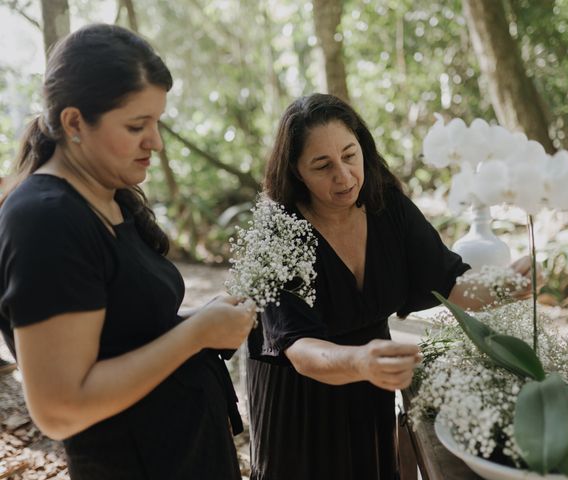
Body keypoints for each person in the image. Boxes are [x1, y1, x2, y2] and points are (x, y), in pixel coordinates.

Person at [0, 24, 256, 480]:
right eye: (137, 126)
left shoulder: (109, 194)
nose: (155, 142)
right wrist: (195, 334)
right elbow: (61, 408)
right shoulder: (45, 220)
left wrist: (198, 320)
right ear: (75, 122)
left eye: (156, 122)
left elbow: (120, 333)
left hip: (189, 452)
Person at [246, 93, 534, 480]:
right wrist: (361, 362)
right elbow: (299, 349)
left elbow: (452, 286)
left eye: (350, 156)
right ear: (296, 171)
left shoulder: (387, 206)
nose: (344, 176)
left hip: (370, 386)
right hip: (301, 402)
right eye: (322, 165)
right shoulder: (277, 229)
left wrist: (506, 286)